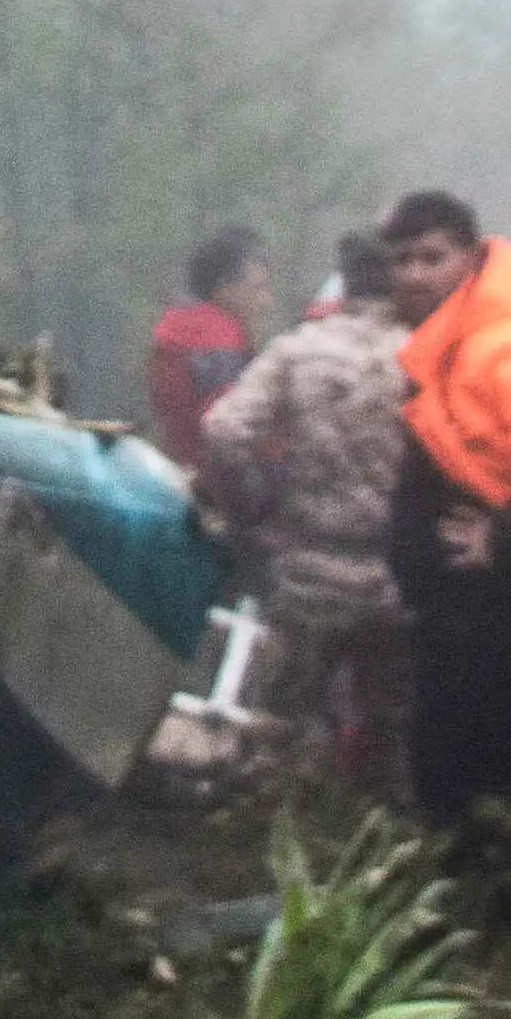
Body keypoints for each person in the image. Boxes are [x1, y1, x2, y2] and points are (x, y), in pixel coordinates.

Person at [377, 188, 511, 928]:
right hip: (458, 612)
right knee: (460, 771)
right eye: (401, 259)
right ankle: (482, 924)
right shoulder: (447, 345)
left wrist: (502, 537)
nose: (413, 274)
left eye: (433, 257)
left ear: (471, 258)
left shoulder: (505, 340)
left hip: (503, 615)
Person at [195, 232, 415, 783]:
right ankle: (373, 848)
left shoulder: (298, 349)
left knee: (279, 723)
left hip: (308, 564)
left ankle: (263, 837)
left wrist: (258, 507)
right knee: (388, 728)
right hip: (395, 571)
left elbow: (224, 430)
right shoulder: (425, 352)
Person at [144, 225, 272, 469]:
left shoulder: (179, 325)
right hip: (211, 483)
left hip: (178, 466)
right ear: (224, 287)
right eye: (257, 288)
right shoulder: (215, 339)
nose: (266, 300)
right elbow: (229, 428)